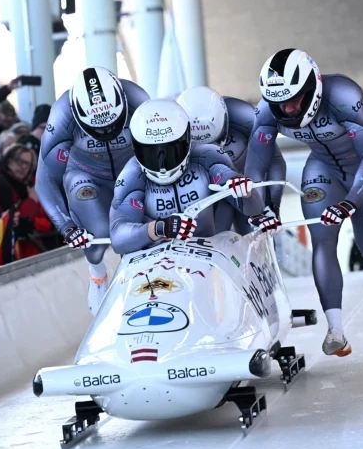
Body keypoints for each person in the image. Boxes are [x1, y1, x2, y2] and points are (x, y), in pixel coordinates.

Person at [245, 48, 363, 357]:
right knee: (322, 239)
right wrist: (262, 209)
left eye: (295, 98)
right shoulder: (267, 111)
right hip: (322, 167)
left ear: (313, 87)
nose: (287, 108)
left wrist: (351, 202)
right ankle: (335, 330)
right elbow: (256, 167)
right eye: (279, 103)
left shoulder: (344, 95)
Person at [35, 66, 150, 314]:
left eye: (113, 125)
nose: (107, 134)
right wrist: (66, 226)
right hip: (86, 175)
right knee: (97, 232)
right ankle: (97, 272)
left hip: (131, 172)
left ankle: (141, 279)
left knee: (136, 233)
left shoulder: (139, 100)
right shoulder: (61, 116)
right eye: (99, 130)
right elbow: (44, 181)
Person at [109, 99, 262, 256]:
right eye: (150, 153)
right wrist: (158, 228)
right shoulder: (131, 175)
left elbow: (253, 207)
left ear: (187, 140)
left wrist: (243, 190)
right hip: (156, 260)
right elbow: (118, 237)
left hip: (211, 253)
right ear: (136, 148)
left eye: (170, 151)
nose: (162, 165)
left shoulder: (208, 155)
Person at [177, 86, 286, 234]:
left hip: (247, 183)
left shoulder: (246, 116)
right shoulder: (172, 123)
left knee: (255, 234)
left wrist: (272, 205)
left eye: (213, 142)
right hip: (212, 186)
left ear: (225, 122)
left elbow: (274, 160)